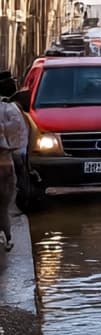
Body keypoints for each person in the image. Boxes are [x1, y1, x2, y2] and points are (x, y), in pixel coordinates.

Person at [0, 71, 29, 251]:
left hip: (8, 161)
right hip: (7, 163)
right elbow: (21, 136)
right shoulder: (12, 109)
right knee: (4, 206)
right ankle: (8, 238)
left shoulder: (10, 108)